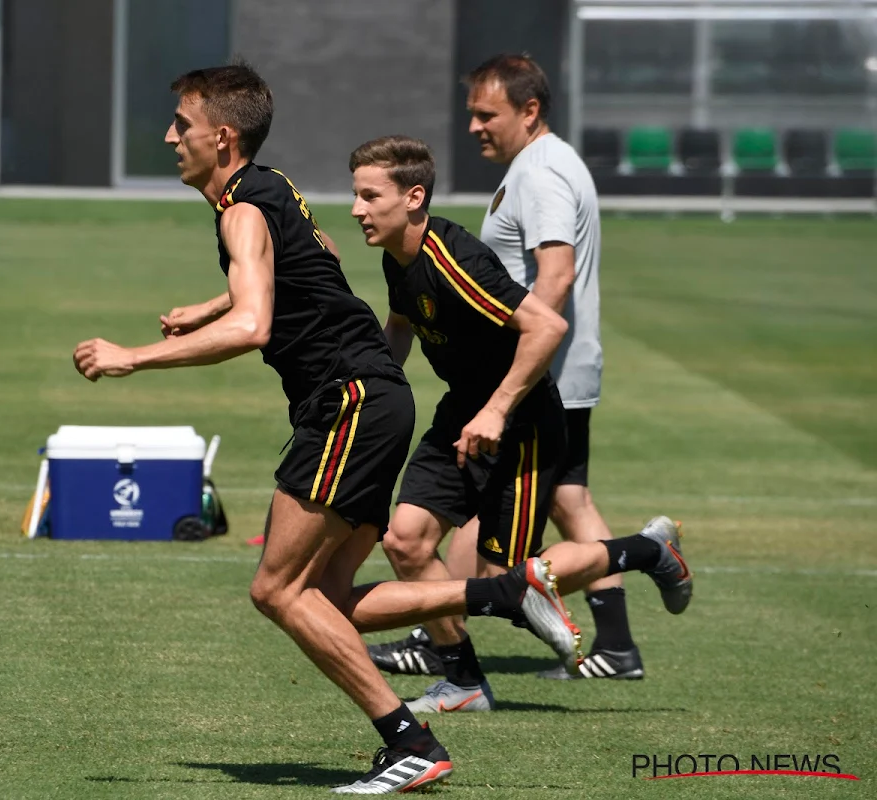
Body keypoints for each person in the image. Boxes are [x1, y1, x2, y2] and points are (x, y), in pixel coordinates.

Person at [73, 62, 574, 795]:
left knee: (276, 591)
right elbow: (321, 261)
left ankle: (409, 739)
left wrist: (133, 359)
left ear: (221, 136)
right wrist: (210, 305)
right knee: (328, 602)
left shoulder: (242, 209)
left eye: (181, 125)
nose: (169, 136)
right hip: (378, 397)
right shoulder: (273, 189)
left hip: (345, 403)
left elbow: (256, 324)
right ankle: (502, 594)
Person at [349, 135, 692, 714]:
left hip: (523, 420)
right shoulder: (397, 258)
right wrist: (372, 390)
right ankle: (463, 683)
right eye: (356, 195)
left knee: (505, 578)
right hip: (463, 411)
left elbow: (547, 329)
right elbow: (402, 323)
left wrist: (498, 408)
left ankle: (650, 550)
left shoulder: (456, 259)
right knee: (405, 540)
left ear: (412, 197)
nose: (357, 209)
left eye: (368, 195)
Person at [371, 54, 650, 684]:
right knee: (561, 501)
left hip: (532, 380)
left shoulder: (542, 173)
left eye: (485, 114)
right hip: (519, 379)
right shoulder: (537, 167)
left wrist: (508, 386)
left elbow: (553, 281)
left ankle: (644, 562)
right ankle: (612, 641)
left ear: (529, 111)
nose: (473, 126)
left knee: (516, 536)